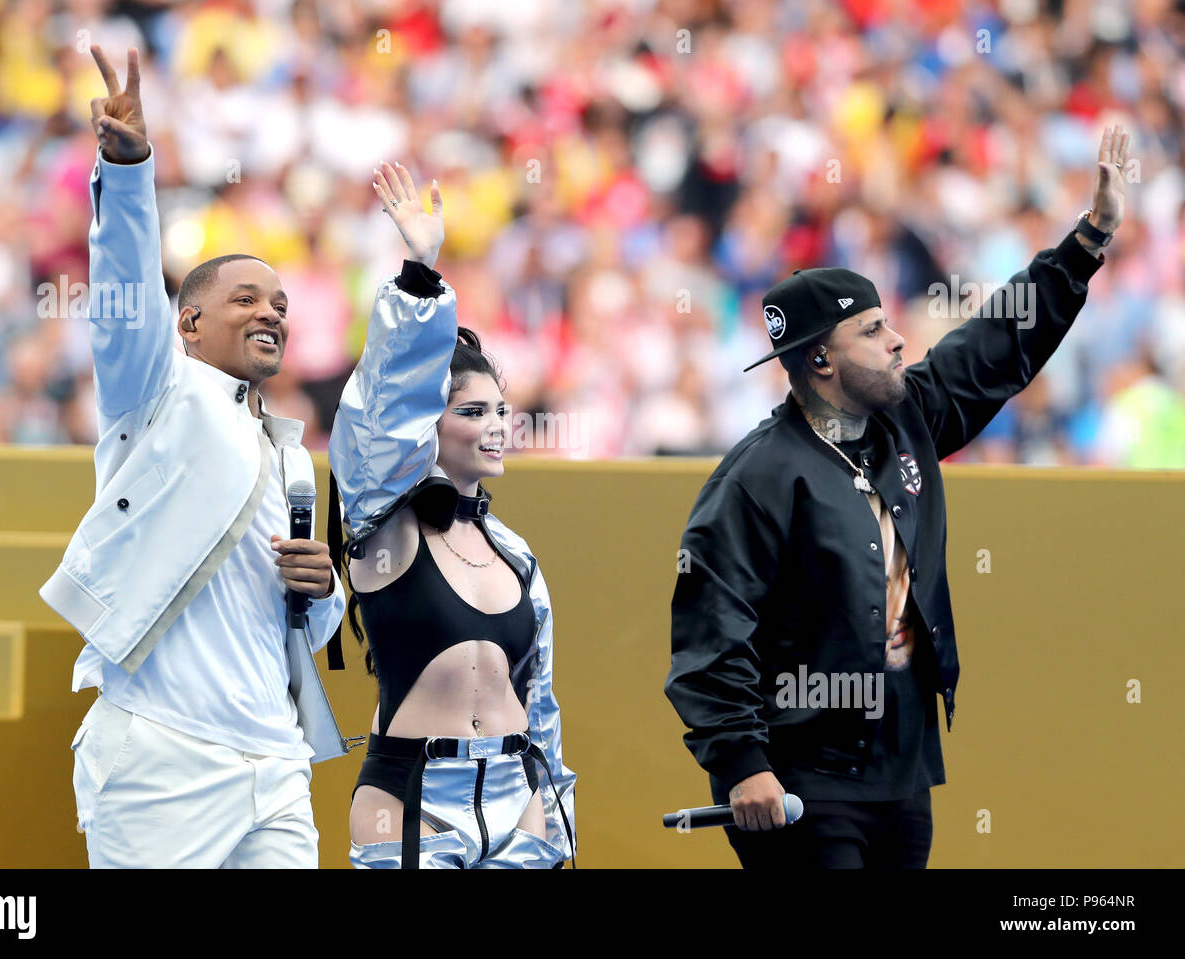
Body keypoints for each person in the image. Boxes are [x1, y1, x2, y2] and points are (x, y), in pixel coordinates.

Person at [666, 126, 1131, 868]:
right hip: (805, 778)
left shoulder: (905, 416)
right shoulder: (756, 475)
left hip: (905, 769)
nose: (897, 340)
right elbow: (710, 632)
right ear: (820, 357)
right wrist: (740, 762)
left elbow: (996, 345)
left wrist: (1089, 237)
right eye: (872, 328)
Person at [39, 46, 351, 868]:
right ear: (188, 324)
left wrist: (323, 589)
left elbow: (300, 633)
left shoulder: (290, 454)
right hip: (161, 758)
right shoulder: (156, 393)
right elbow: (124, 290)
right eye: (245, 298)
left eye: (281, 304)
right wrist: (131, 166)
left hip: (277, 761)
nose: (271, 313)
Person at [327, 160, 576, 869]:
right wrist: (418, 273)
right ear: (429, 425)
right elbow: (378, 420)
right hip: (413, 804)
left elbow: (544, 703)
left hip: (519, 802)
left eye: (502, 410)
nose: (496, 425)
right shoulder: (387, 522)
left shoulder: (515, 553)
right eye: (472, 411)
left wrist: (556, 814)